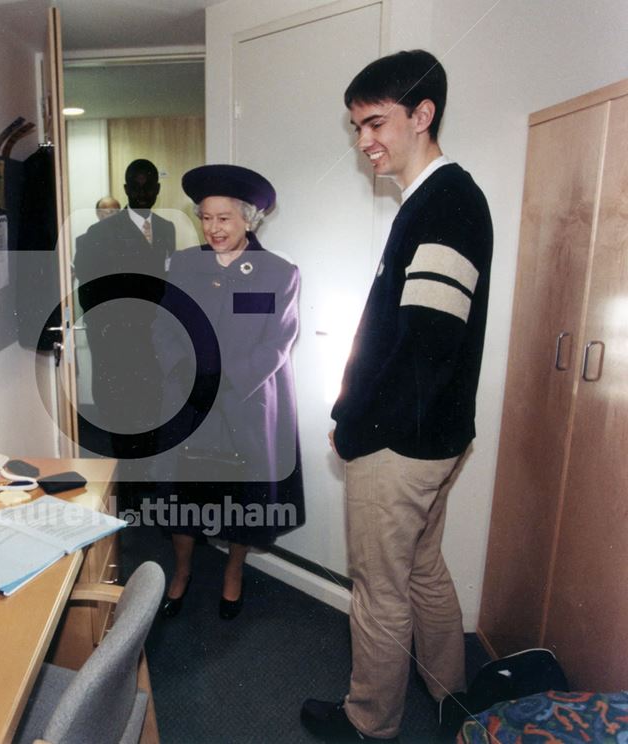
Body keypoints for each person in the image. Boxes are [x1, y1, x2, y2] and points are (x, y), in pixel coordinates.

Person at [300, 50, 493, 741]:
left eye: (375, 122)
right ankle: (451, 693)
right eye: (356, 127)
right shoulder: (437, 202)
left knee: (378, 590)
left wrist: (354, 424)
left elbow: (423, 347)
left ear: (422, 114)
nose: (364, 142)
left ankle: (369, 723)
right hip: (434, 437)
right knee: (422, 569)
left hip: (401, 443)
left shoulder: (446, 203)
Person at [151, 164, 304, 621]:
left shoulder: (278, 272)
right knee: (181, 496)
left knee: (241, 500)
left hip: (246, 403)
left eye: (225, 219)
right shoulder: (182, 264)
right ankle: (181, 572)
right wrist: (189, 377)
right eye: (206, 218)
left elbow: (277, 342)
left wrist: (225, 381)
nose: (214, 229)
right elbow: (164, 328)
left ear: (248, 220)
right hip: (188, 400)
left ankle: (232, 573)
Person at [74, 160, 175, 470]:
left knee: (153, 419)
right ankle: (127, 498)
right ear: (126, 189)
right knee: (121, 425)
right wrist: (104, 335)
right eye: (136, 186)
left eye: (149, 186)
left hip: (154, 345)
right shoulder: (100, 232)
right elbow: (88, 290)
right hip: (117, 348)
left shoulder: (166, 229)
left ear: (158, 189)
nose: (142, 193)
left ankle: (147, 493)